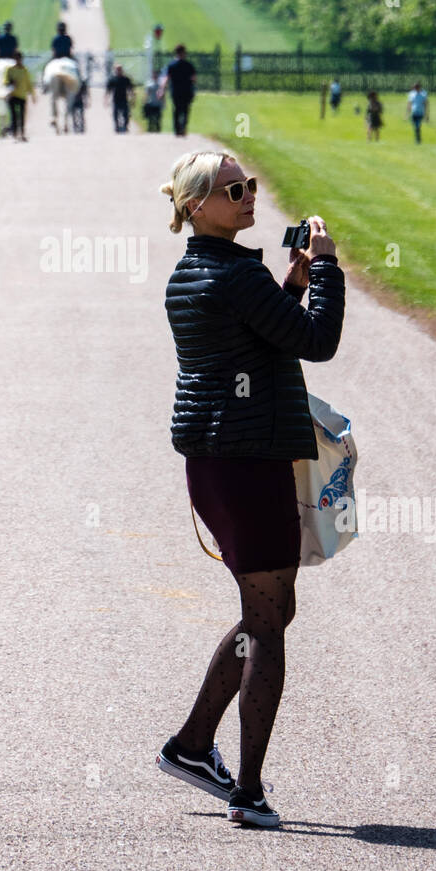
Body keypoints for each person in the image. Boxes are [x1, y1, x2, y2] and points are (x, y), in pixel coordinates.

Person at [156, 151, 345, 827]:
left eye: (251, 186)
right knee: (268, 621)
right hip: (246, 463)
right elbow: (317, 343)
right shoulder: (234, 274)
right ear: (195, 205)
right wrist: (323, 269)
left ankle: (192, 744)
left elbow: (257, 344)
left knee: (273, 610)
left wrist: (287, 288)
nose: (248, 196)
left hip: (222, 463)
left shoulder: (201, 271)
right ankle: (250, 791)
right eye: (233, 190)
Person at [3, 51, 36, 141]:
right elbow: (5, 81)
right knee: (14, 116)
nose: (18, 60)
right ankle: (14, 133)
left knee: (22, 116)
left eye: (19, 59)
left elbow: (28, 83)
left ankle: (22, 133)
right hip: (12, 95)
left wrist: (33, 94)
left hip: (22, 95)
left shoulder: (25, 70)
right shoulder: (9, 69)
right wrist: (11, 83)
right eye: (17, 59)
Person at [165, 44, 197, 136]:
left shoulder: (172, 65)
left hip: (176, 91)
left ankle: (177, 129)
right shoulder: (189, 65)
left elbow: (167, 78)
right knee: (185, 110)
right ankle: (183, 127)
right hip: (186, 91)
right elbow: (194, 79)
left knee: (177, 110)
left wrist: (163, 89)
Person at [104, 64, 135, 132]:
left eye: (120, 69)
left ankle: (125, 126)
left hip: (124, 100)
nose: (119, 71)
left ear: (122, 70)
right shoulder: (112, 79)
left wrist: (132, 99)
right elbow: (108, 91)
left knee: (126, 115)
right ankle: (117, 127)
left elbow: (130, 89)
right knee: (115, 115)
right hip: (115, 100)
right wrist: (106, 100)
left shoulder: (126, 79)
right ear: (115, 70)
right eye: (117, 69)